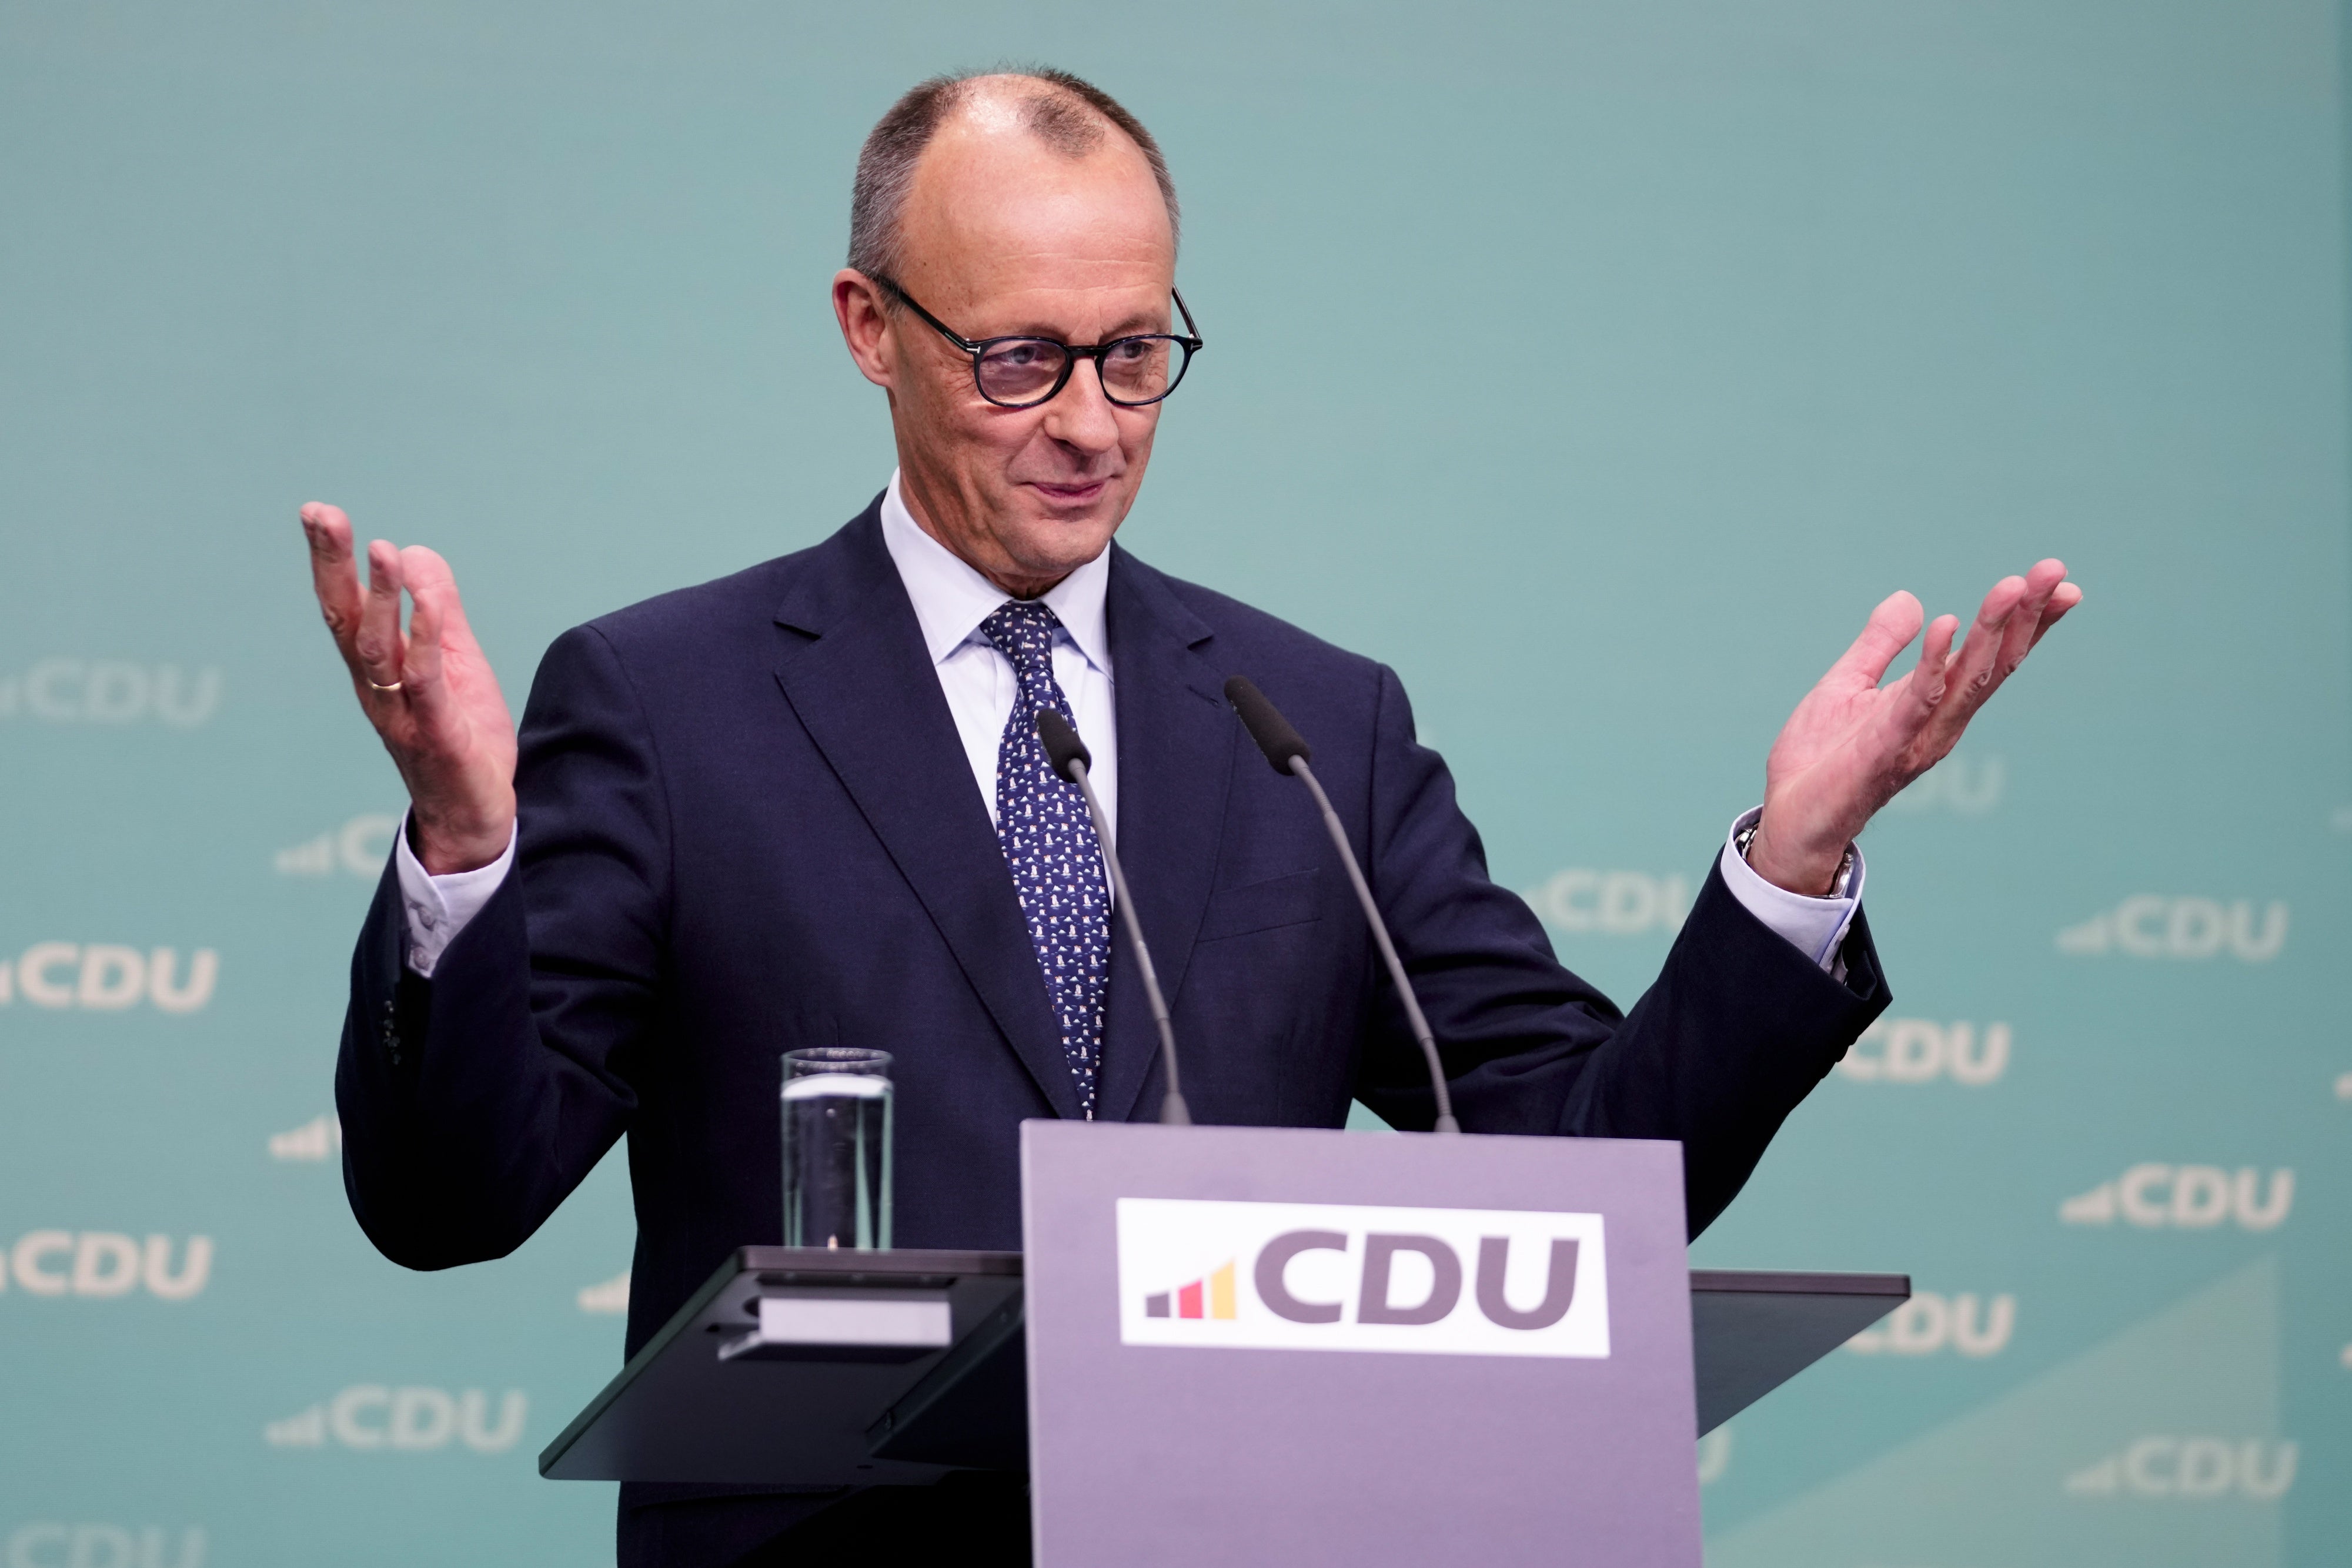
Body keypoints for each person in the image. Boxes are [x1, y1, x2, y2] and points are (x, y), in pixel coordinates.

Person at [297, 68, 2078, 1567]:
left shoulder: (1312, 722)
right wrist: (466, 840)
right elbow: (452, 1196)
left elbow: (1586, 1168)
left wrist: (1792, 865)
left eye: (1136, 352)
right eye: (1019, 360)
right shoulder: (671, 700)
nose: (1090, 424)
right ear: (871, 332)